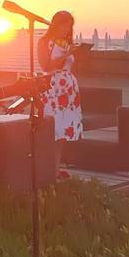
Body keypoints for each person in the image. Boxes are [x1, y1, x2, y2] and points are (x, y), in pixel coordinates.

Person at [37, 10, 83, 178]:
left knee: (63, 132)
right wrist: (67, 55)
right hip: (52, 88)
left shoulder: (66, 43)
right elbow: (46, 66)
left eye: (69, 26)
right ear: (56, 24)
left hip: (68, 89)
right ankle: (47, 169)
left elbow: (70, 65)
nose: (67, 29)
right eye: (64, 25)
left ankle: (55, 169)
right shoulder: (45, 42)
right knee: (52, 129)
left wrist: (77, 54)